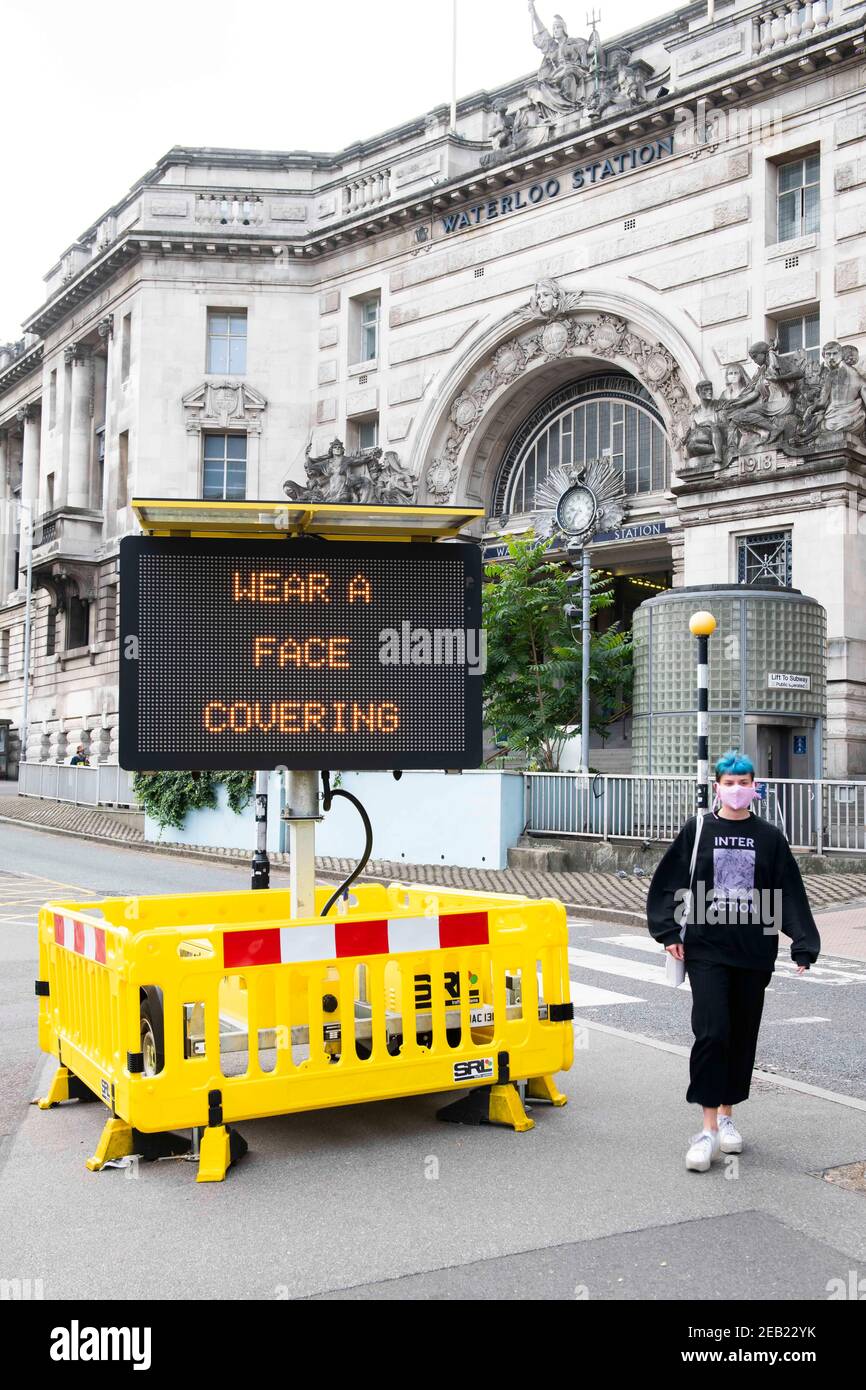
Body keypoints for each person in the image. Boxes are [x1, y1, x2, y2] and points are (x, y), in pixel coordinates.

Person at [647, 751, 821, 1172]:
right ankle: (706, 1129)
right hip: (707, 949)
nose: (737, 789)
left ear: (754, 786)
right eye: (729, 782)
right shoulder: (699, 829)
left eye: (744, 781)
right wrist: (669, 932)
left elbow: (789, 890)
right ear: (718, 787)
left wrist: (803, 942)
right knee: (712, 1033)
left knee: (742, 1035)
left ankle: (728, 1117)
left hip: (754, 951)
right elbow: (668, 880)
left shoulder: (770, 837)